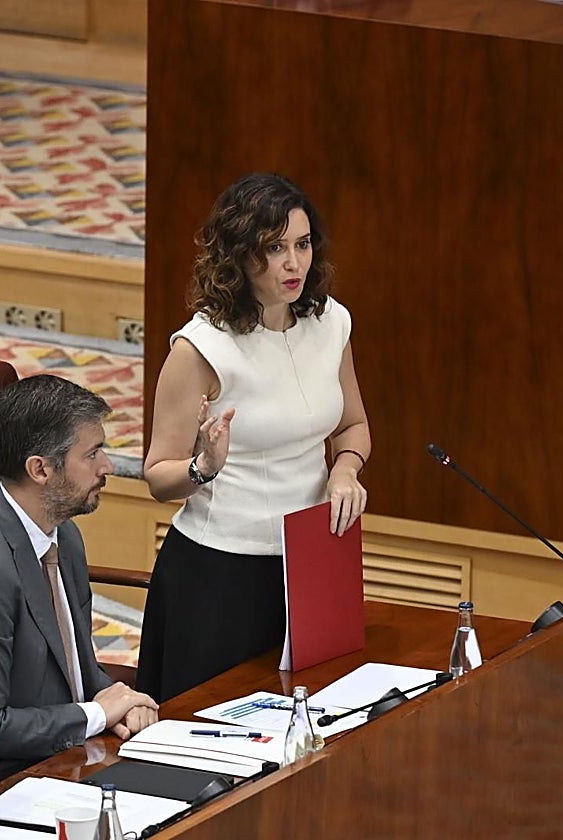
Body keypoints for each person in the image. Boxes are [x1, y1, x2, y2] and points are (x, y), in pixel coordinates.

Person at [136, 172, 372, 702]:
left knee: (311, 723)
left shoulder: (331, 324)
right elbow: (157, 476)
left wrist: (345, 470)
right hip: (220, 574)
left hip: (310, 563)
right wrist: (204, 467)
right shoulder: (201, 349)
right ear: (240, 256)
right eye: (275, 248)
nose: (294, 264)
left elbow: (353, 426)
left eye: (303, 245)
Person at [0, 374, 159, 774]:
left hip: (77, 749)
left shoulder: (64, 533)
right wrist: (96, 715)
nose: (108, 466)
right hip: (17, 776)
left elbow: (78, 669)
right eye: (92, 454)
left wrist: (123, 704)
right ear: (40, 469)